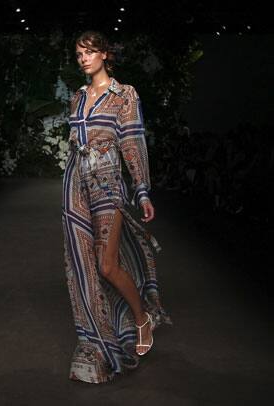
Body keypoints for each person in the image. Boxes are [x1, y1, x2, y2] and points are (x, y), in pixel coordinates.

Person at [61, 30, 172, 383]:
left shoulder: (124, 96)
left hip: (109, 185)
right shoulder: (77, 98)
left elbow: (133, 141)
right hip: (76, 186)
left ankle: (141, 318)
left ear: (105, 55)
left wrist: (142, 190)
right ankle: (97, 341)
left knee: (107, 266)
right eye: (78, 53)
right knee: (84, 266)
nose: (83, 58)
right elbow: (74, 145)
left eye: (89, 52)